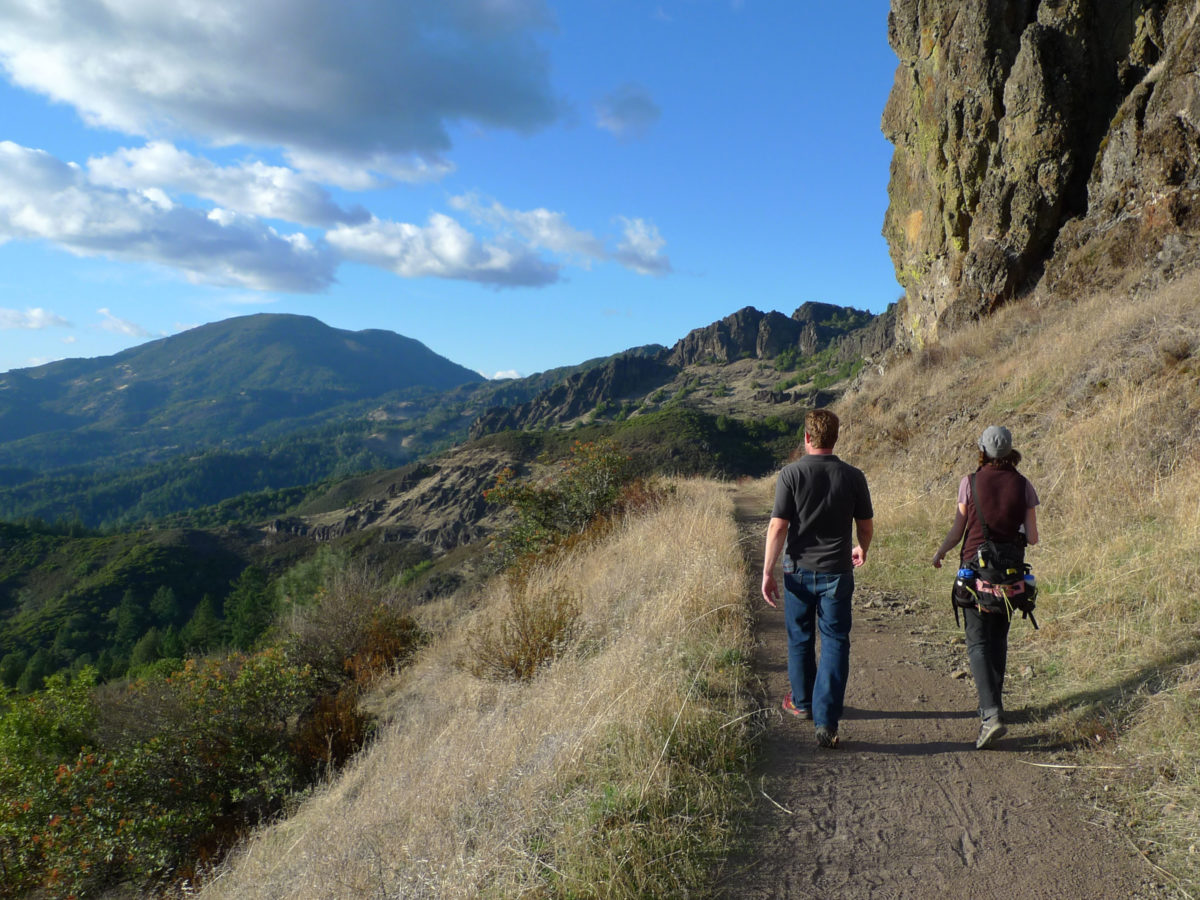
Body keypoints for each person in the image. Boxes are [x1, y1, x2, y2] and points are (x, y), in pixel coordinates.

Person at [762, 408, 874, 749]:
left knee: (800, 639)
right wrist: (861, 548)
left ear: (807, 438)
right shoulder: (854, 476)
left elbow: (778, 526)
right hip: (837, 572)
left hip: (796, 570)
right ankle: (827, 720)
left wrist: (767, 571)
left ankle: (802, 702)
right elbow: (865, 525)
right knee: (836, 641)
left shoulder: (790, 475)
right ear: (835, 438)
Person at [932, 425, 1040, 749]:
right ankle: (994, 707)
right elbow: (1033, 538)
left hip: (973, 574)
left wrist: (940, 552)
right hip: (1010, 578)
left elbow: (957, 529)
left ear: (982, 449)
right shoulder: (1024, 486)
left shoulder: (970, 483)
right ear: (1010, 451)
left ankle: (991, 715)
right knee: (998, 641)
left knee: (977, 643)